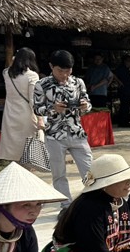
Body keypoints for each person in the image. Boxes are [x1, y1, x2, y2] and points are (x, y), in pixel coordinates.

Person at [32, 49, 93, 205]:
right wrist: (53, 108)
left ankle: (93, 202)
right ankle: (66, 207)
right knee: (59, 174)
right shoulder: (41, 84)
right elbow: (37, 108)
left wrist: (85, 106)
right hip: (54, 134)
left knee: (90, 171)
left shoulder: (78, 82)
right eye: (60, 71)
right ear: (51, 67)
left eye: (68, 71)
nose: (64, 75)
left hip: (76, 132)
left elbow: (88, 103)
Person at [0, 47, 40, 163]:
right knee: (27, 148)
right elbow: (33, 99)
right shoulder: (32, 76)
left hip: (10, 113)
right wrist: (38, 117)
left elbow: (11, 63)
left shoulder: (6, 73)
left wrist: (14, 59)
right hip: (26, 113)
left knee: (13, 147)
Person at [113, 54, 130, 128]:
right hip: (124, 90)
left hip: (127, 90)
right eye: (129, 61)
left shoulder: (126, 69)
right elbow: (113, 74)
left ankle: (125, 122)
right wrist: (119, 82)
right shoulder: (121, 68)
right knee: (124, 106)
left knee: (126, 106)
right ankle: (123, 122)